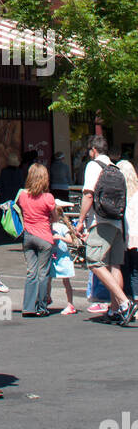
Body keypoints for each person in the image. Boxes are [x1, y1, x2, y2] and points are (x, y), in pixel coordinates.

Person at [75, 134, 137, 325]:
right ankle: (114, 310)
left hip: (100, 222)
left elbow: (88, 194)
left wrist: (80, 220)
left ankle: (125, 303)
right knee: (115, 265)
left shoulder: (94, 166)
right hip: (117, 222)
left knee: (94, 262)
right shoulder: (115, 167)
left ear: (93, 150)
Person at [15, 163, 58, 316]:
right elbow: (55, 217)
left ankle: (28, 307)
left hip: (28, 236)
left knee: (31, 272)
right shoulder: (48, 197)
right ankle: (41, 306)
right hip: (44, 237)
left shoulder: (22, 195)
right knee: (43, 273)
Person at [47, 210, 77, 314]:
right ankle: (47, 298)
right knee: (48, 279)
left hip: (63, 257)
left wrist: (60, 237)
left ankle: (70, 304)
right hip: (53, 256)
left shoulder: (62, 227)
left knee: (66, 281)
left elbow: (70, 240)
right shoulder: (48, 226)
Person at [117, 158, 138, 301]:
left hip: (124, 237)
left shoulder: (120, 196)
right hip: (136, 237)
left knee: (125, 270)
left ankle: (128, 301)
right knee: (136, 271)